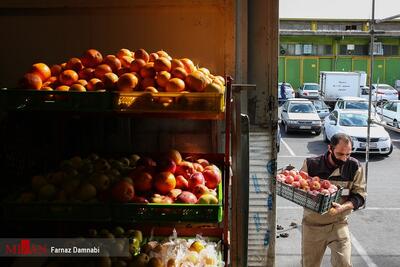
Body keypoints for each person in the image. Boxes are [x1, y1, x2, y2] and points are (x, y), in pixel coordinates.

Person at [300, 133, 366, 267]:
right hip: (313, 225)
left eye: (348, 154)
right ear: (330, 148)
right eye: (340, 154)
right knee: (309, 264)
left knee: (344, 263)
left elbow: (360, 196)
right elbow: (300, 189)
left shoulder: (354, 166)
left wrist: (342, 208)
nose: (344, 158)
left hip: (338, 223)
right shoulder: (311, 164)